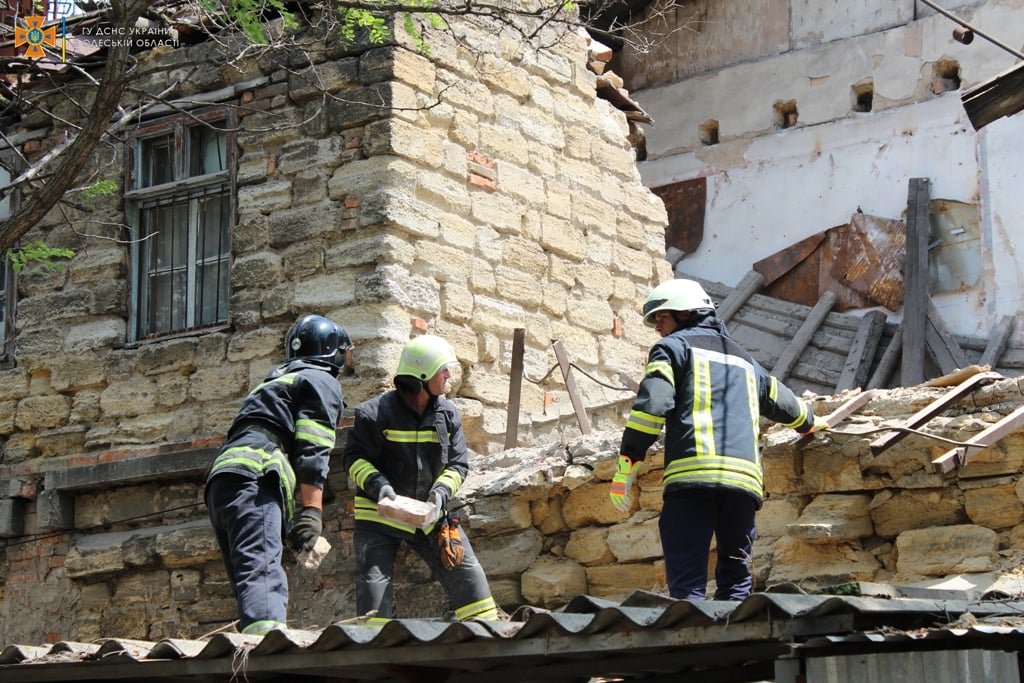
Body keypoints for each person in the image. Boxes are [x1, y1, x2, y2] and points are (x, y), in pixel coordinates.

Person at [609, 279, 827, 601]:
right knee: (737, 580)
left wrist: (628, 463)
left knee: (687, 585)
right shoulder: (745, 360)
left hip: (692, 481)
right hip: (742, 488)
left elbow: (652, 406)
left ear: (686, 313)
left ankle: (693, 631)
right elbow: (782, 401)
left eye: (662, 317)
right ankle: (738, 633)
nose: (658, 327)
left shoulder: (671, 349)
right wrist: (810, 422)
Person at [205, 314, 353, 635]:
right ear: (335, 353)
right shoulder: (319, 379)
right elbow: (313, 447)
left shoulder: (272, 383)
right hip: (256, 475)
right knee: (262, 575)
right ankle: (265, 651)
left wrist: (287, 528)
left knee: (249, 576)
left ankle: (254, 635)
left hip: (223, 479)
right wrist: (311, 513)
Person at [343, 334, 499, 623]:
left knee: (474, 591)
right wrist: (380, 488)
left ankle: (487, 638)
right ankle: (374, 648)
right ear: (423, 376)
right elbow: (354, 460)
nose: (448, 375)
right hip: (378, 518)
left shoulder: (448, 415)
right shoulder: (373, 413)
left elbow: (458, 465)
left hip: (431, 517)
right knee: (373, 608)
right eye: (443, 370)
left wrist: (439, 494)